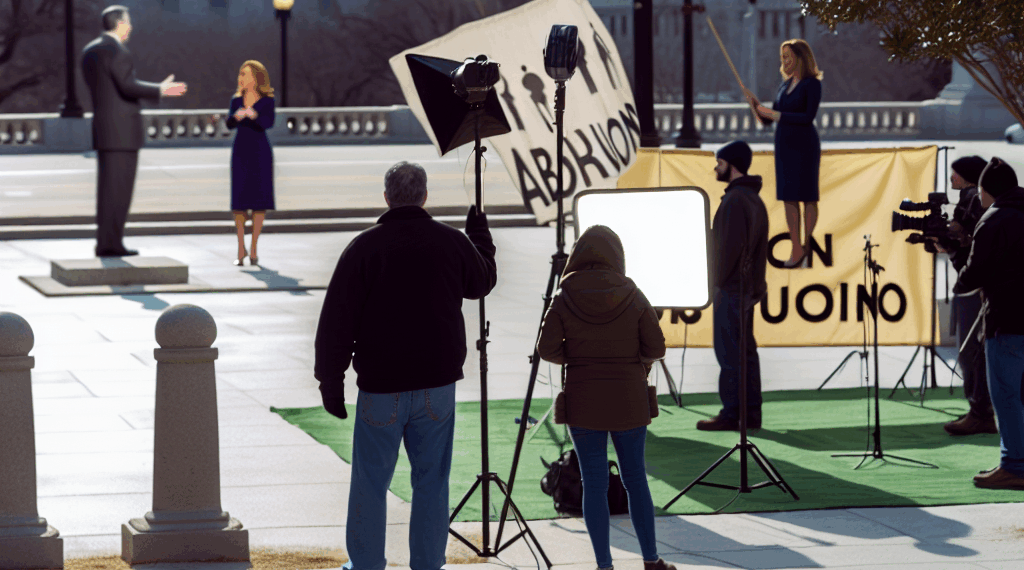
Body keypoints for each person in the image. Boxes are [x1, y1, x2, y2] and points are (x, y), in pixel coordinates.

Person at [313, 162, 496, 570]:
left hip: (381, 385)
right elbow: (481, 282)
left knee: (369, 484)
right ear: (425, 196)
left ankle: (366, 565)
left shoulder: (364, 247)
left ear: (386, 197)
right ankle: (428, 564)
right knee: (431, 482)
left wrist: (331, 380)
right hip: (437, 384)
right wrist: (480, 236)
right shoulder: (451, 242)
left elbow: (337, 320)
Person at [537, 225, 674, 570]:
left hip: (583, 401)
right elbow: (656, 347)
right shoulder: (632, 292)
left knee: (594, 485)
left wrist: (578, 356)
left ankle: (604, 565)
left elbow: (547, 348)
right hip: (629, 398)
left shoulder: (564, 296)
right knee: (635, 480)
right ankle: (651, 561)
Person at [81, 5, 186, 257]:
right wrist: (159, 89)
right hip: (123, 133)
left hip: (104, 130)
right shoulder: (117, 51)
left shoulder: (90, 51)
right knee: (119, 192)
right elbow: (127, 86)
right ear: (119, 23)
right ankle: (112, 244)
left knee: (107, 192)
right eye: (128, 22)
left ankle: (105, 241)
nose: (131, 27)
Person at [954, 157, 1024, 490]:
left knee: (1007, 396)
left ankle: (1014, 466)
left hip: (1008, 320)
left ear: (987, 190)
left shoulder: (993, 219)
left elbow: (972, 276)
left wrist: (955, 253)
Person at [698, 141, 770, 432]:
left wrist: (713, 282)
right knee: (745, 353)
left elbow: (727, 250)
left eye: (720, 161)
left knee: (730, 354)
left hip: (731, 289)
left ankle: (732, 414)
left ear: (731, 164)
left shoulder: (735, 200)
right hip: (746, 289)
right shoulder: (753, 199)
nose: (716, 167)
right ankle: (750, 414)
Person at [935, 156, 997, 436]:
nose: (951, 179)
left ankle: (980, 411)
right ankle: (980, 409)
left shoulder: (971, 200)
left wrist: (948, 239)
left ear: (969, 177)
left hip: (974, 288)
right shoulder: (974, 200)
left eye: (955, 174)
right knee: (973, 352)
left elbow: (971, 245)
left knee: (970, 351)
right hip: (976, 285)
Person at [747, 39, 822, 268]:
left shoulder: (812, 84)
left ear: (800, 58)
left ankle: (807, 246)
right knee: (788, 197)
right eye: (782, 58)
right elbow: (770, 119)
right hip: (784, 147)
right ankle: (796, 247)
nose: (785, 62)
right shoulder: (784, 86)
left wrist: (774, 114)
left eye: (788, 57)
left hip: (805, 145)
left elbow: (807, 117)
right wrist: (757, 109)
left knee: (808, 196)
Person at [225, 60, 276, 266]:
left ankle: (254, 248)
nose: (241, 78)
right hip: (240, 152)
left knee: (259, 203)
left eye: (245, 74)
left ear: (256, 77)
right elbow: (228, 123)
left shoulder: (267, 100)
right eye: (240, 74)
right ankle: (240, 249)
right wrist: (237, 116)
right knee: (238, 204)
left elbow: (268, 123)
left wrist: (254, 115)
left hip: (260, 152)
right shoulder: (236, 99)